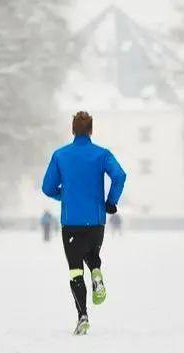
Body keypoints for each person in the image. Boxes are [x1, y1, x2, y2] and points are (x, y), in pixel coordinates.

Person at [42, 111, 126, 335]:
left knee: (75, 270)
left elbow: (47, 187)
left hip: (71, 222)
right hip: (96, 220)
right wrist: (111, 201)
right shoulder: (102, 155)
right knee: (91, 253)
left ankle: (82, 316)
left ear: (72, 130)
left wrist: (65, 195)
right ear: (91, 130)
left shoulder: (60, 155)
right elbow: (120, 175)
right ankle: (96, 270)